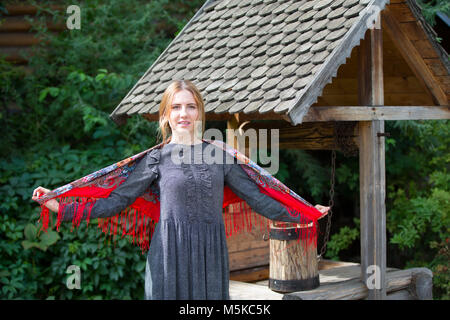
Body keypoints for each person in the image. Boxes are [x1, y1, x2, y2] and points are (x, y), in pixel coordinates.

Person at [32, 79, 330, 300]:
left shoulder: (221, 156)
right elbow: (115, 201)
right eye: (176, 107)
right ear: (165, 115)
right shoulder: (154, 159)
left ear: (199, 113)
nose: (183, 113)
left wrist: (303, 213)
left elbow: (258, 197)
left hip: (209, 255)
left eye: (190, 106)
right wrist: (60, 206)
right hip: (167, 254)